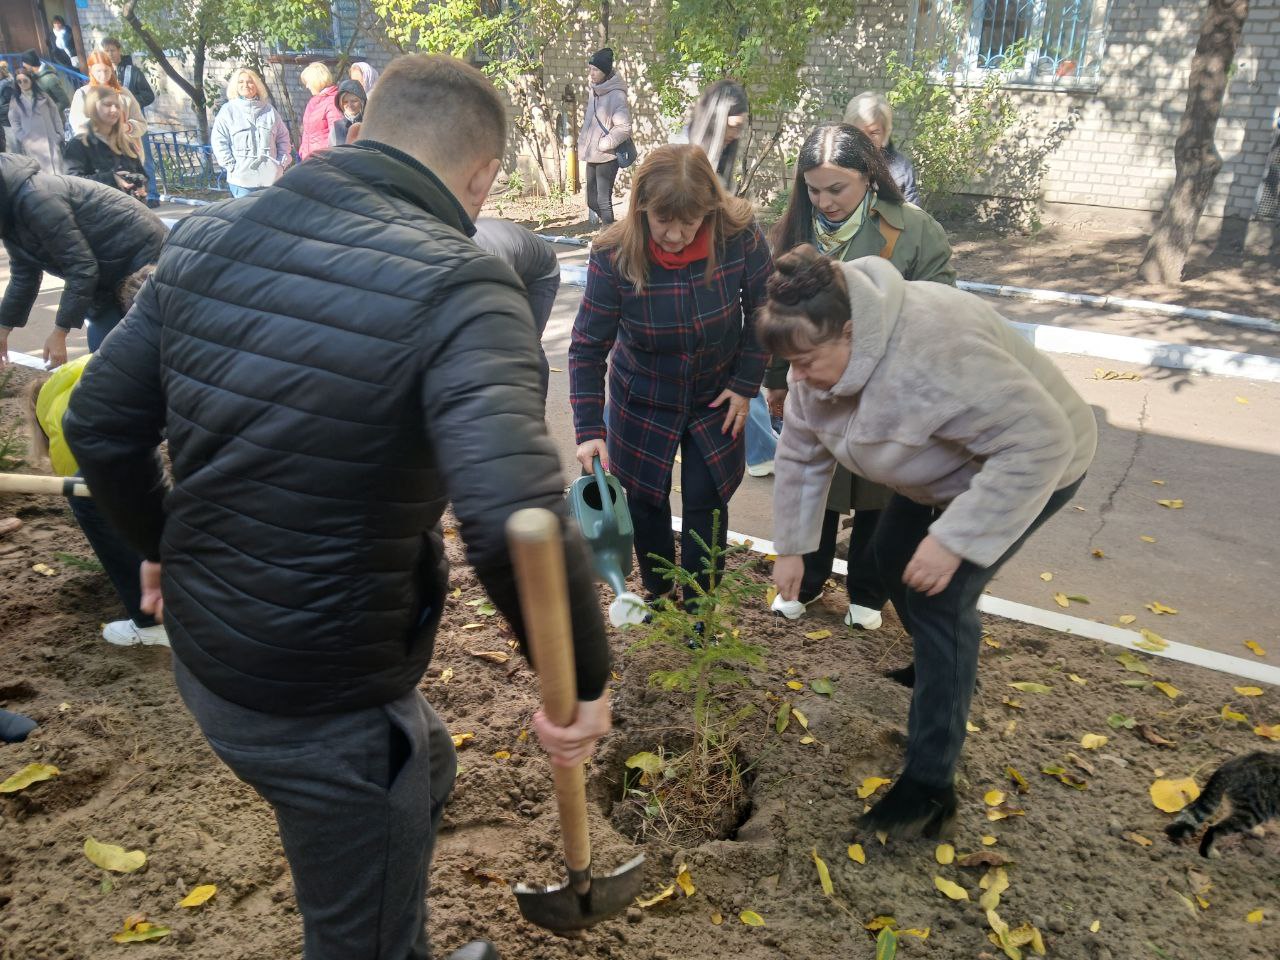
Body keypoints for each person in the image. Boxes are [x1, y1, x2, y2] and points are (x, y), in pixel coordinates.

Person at [63, 54, 611, 960]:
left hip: (211, 654)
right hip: (315, 691)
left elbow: (97, 425)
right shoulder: (464, 284)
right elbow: (514, 516)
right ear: (482, 178)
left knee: (424, 764)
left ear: (362, 129)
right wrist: (583, 685)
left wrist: (159, 542)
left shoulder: (205, 236)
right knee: (360, 931)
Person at [762, 246, 1096, 837]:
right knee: (892, 557)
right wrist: (792, 544)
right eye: (790, 363)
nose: (800, 377)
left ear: (850, 331)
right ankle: (941, 666)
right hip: (942, 472)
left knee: (943, 597)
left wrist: (956, 538)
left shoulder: (933, 351)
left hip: (1033, 465)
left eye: (807, 360)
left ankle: (930, 786)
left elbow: (1039, 442)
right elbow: (801, 451)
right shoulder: (816, 357)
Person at [764, 123, 955, 629]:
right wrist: (776, 378)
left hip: (889, 394)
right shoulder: (795, 230)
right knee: (815, 485)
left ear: (870, 176)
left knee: (880, 493)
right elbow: (777, 310)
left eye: (836, 189)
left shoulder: (914, 231)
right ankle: (805, 583)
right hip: (817, 388)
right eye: (812, 189)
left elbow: (943, 314)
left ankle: (867, 593)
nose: (824, 201)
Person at [569, 144, 772, 605]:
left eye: (690, 222)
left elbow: (765, 308)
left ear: (710, 210)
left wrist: (745, 384)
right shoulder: (614, 254)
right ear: (642, 207)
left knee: (707, 499)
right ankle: (660, 598)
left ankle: (700, 608)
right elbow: (586, 348)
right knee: (644, 501)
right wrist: (588, 430)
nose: (676, 235)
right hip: (642, 395)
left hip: (714, 394)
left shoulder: (739, 236)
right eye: (663, 221)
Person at [24, 267, 169, 647]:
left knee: (88, 500)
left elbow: (101, 465)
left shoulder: (64, 414)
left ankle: (148, 623)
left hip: (111, 436)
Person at [0, 152, 165, 364]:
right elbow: (24, 275)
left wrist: (60, 332)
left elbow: (81, 267)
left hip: (140, 259)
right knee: (104, 352)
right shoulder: (10, 214)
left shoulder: (37, 199)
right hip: (106, 271)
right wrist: (3, 328)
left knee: (138, 345)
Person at [472, 217, 560, 399]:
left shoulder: (493, 263)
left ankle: (536, 410)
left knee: (526, 342)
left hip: (541, 274)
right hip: (514, 256)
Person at [211, 67, 292, 196]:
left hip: (271, 179)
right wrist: (231, 166)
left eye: (250, 81)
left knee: (271, 215)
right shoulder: (228, 111)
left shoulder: (269, 110)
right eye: (241, 82)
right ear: (235, 86)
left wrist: (281, 164)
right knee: (246, 215)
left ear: (257, 85)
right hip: (242, 181)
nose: (246, 85)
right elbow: (219, 141)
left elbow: (283, 138)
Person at [102, 36, 159, 207]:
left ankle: (151, 194)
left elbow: (148, 95)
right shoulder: (102, 75)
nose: (110, 54)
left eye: (113, 50)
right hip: (112, 126)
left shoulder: (132, 72)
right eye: (107, 51)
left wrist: (131, 101)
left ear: (119, 50)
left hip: (134, 121)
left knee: (144, 158)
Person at [63, 87, 148, 202]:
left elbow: (141, 174)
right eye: (107, 105)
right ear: (93, 108)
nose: (114, 110)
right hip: (98, 215)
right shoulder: (79, 144)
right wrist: (112, 179)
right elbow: (72, 183)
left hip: (131, 213)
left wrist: (140, 186)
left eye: (117, 106)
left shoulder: (126, 143)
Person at [576, 47, 631, 225]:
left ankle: (609, 240)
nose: (591, 73)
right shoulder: (595, 91)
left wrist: (604, 144)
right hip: (592, 153)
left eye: (595, 70)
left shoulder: (617, 95)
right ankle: (615, 232)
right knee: (591, 201)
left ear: (605, 72)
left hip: (607, 155)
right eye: (590, 68)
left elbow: (624, 127)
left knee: (603, 201)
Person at [844, 91, 920, 206]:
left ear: (885, 133)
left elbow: (914, 217)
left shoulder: (901, 169)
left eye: (874, 132)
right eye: (859, 132)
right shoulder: (835, 162)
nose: (866, 140)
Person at [67, 51, 148, 144]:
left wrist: (128, 127)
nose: (103, 75)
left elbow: (141, 124)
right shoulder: (82, 94)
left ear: (111, 69)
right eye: (98, 71)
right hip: (98, 152)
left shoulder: (124, 93)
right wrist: (102, 128)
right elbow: (78, 123)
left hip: (126, 151)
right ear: (91, 70)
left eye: (106, 70)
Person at [685, 79, 750, 193]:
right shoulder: (680, 162)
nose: (736, 135)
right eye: (732, 126)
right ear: (715, 122)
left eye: (740, 128)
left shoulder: (719, 166)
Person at [7, 68, 65, 175]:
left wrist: (59, 134)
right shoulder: (15, 101)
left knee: (59, 175)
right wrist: (24, 138)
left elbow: (55, 116)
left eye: (25, 80)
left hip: (51, 140)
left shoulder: (44, 96)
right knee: (42, 176)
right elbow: (14, 122)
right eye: (19, 81)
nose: (22, 83)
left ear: (31, 80)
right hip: (33, 146)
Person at [297, 61, 341, 161]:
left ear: (316, 81)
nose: (307, 86)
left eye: (308, 82)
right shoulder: (313, 102)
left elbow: (337, 136)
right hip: (309, 160)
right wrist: (302, 151)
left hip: (324, 161)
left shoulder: (332, 101)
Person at [19, 50, 71, 116]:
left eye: (24, 62)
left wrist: (49, 113)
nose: (23, 65)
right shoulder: (33, 75)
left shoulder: (50, 79)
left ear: (29, 63)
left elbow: (64, 102)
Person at [329, 77, 365, 145]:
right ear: (340, 104)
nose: (350, 105)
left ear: (362, 102)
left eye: (354, 101)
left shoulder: (369, 124)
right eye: (345, 102)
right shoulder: (337, 127)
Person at [0, 63, 14, 153]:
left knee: (10, 139)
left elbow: (7, 103)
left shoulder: (6, 86)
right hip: (3, 117)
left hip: (6, 118)